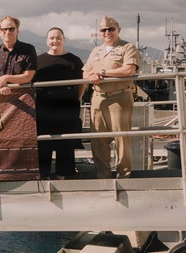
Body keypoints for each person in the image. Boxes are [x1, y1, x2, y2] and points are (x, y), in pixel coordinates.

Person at [83, 16, 141, 178]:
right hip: (98, 98)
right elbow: (85, 71)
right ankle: (103, 175)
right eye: (103, 30)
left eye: (111, 29)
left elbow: (129, 70)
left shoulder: (127, 47)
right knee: (98, 140)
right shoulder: (96, 51)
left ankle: (123, 176)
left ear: (118, 30)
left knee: (121, 139)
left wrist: (102, 73)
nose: (107, 32)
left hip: (119, 98)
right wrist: (90, 76)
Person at [34, 28, 86, 179]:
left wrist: (73, 99)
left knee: (66, 142)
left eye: (58, 38)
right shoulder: (38, 60)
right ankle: (43, 175)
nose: (55, 41)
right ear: (46, 40)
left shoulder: (74, 60)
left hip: (67, 106)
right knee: (43, 143)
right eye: (51, 38)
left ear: (64, 39)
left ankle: (63, 176)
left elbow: (81, 84)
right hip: (44, 106)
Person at [0, 16, 37, 96]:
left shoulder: (28, 49)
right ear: (0, 32)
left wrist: (6, 78)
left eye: (11, 29)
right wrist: (0, 84)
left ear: (17, 31)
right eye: (4, 29)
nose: (7, 32)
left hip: (24, 100)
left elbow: (27, 77)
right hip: (0, 103)